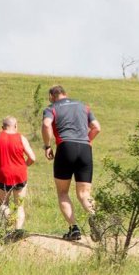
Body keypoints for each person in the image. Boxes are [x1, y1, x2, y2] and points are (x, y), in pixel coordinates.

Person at [42, 85, 101, 241]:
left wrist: (47, 146)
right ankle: (95, 217)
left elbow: (47, 124)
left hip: (65, 147)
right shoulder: (84, 107)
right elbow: (97, 127)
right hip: (85, 148)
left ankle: (74, 228)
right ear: (65, 94)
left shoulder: (51, 108)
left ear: (51, 96)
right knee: (84, 194)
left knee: (63, 192)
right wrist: (87, 140)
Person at [0, 116, 37, 234]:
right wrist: (25, 165)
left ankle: (8, 217)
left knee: (2, 204)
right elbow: (33, 158)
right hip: (20, 174)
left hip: (3, 174)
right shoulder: (21, 138)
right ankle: (18, 230)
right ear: (16, 126)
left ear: (2, 127)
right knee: (19, 205)